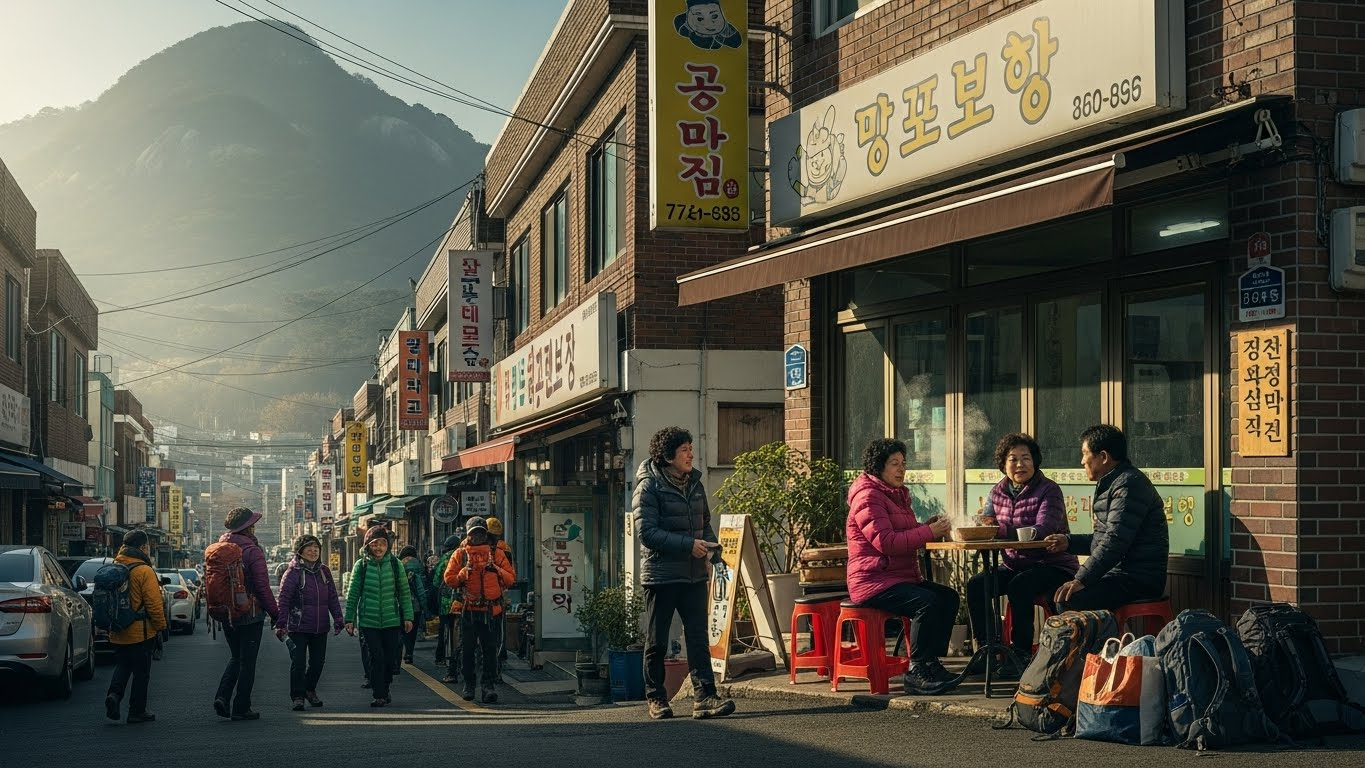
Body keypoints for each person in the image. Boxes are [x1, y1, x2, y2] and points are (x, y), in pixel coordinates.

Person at [633, 426, 735, 721]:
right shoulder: (648, 486)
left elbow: (704, 522)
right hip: (661, 575)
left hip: (693, 574)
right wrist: (689, 545)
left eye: (691, 448)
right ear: (667, 457)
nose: (691, 454)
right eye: (684, 450)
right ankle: (656, 698)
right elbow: (647, 533)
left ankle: (705, 697)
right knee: (657, 641)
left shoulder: (695, 483)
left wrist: (713, 552)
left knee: (698, 638)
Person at [846, 437, 959, 695]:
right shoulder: (868, 496)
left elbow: (904, 532)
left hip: (896, 577)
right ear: (878, 467)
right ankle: (916, 670)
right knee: (926, 603)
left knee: (948, 598)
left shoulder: (896, 494)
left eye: (903, 463)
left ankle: (931, 663)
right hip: (872, 580)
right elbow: (886, 542)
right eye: (894, 463)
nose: (901, 469)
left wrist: (927, 526)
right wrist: (928, 532)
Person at [965, 433, 1079, 674]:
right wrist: (982, 525)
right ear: (1003, 464)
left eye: (1025, 458)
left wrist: (1000, 529)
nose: (1019, 465)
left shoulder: (1049, 490)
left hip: (1052, 564)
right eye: (1012, 459)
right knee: (977, 585)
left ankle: (1020, 654)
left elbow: (1044, 529)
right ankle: (989, 651)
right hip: (1016, 564)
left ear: (1035, 461)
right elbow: (988, 521)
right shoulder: (997, 492)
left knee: (1020, 586)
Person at [1045, 425, 1168, 611]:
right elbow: (1103, 539)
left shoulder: (1129, 485)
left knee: (1068, 600)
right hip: (1117, 574)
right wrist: (1068, 542)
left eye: (1085, 453)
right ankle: (1103, 639)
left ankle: (1103, 641)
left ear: (1103, 457)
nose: (1081, 461)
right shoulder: (1113, 483)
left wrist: (1081, 579)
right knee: (1054, 594)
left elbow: (1115, 541)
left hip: (1138, 578)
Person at [214, 507, 280, 721]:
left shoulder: (219, 547)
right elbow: (262, 587)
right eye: (252, 524)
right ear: (247, 527)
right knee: (247, 662)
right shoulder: (252, 550)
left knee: (236, 656)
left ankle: (222, 697)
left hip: (226, 612)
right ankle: (241, 707)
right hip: (251, 613)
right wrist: (276, 613)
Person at [444, 516, 515, 704]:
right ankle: (469, 685)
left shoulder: (496, 553)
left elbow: (510, 579)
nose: (477, 536)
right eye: (473, 533)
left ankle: (488, 686)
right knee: (467, 650)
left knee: (490, 651)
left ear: (486, 533)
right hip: (468, 610)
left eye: (480, 532)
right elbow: (449, 579)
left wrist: (497, 570)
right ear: (468, 534)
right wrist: (462, 573)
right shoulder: (460, 554)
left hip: (491, 611)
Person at [104, 530, 167, 724]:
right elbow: (154, 604)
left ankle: (114, 695)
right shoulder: (144, 570)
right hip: (140, 632)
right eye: (147, 546)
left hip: (117, 629)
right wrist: (160, 627)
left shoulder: (114, 566)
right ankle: (137, 710)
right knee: (141, 672)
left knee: (123, 665)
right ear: (142, 547)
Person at [274, 534, 344, 711]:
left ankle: (310, 689)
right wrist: (281, 623)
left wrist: (338, 619)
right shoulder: (293, 572)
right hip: (298, 626)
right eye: (309, 548)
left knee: (317, 662)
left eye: (316, 548)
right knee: (298, 662)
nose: (313, 551)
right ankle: (298, 696)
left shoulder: (324, 571)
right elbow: (283, 599)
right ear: (300, 551)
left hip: (320, 626)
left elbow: (333, 598)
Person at [345, 527, 413, 707]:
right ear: (368, 545)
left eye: (382, 544)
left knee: (390, 658)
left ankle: (385, 686)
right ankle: (379, 694)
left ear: (387, 545)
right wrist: (349, 619)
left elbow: (404, 593)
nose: (378, 548)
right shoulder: (361, 565)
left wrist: (408, 617)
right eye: (374, 544)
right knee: (376, 657)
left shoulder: (395, 564)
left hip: (391, 619)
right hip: (369, 621)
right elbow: (353, 594)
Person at [485, 516, 516, 682]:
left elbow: (510, 576)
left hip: (491, 597)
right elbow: (510, 576)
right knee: (497, 634)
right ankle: (497, 666)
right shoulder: (505, 549)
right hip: (497, 596)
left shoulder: (476, 546)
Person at [431, 530, 465, 682]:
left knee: (445, 628)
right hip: (462, 600)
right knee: (460, 631)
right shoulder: (465, 555)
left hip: (446, 600)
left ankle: (441, 657)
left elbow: (437, 579)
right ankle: (459, 661)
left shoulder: (445, 558)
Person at [398, 545, 429, 665]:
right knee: (412, 630)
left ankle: (398, 655)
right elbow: (423, 586)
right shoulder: (419, 565)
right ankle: (409, 654)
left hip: (401, 602)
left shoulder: (399, 564)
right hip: (415, 603)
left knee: (400, 630)